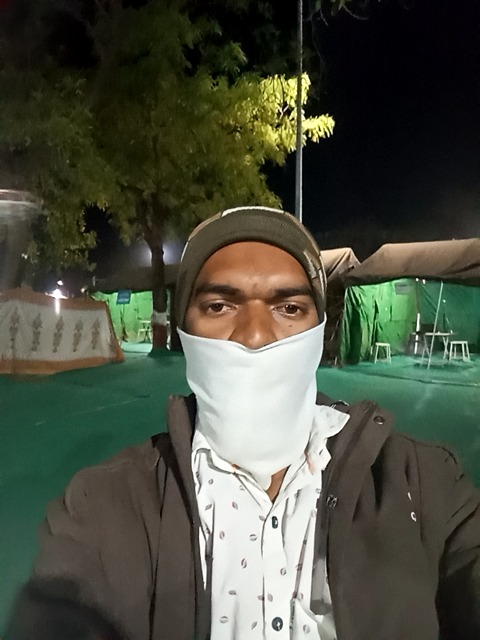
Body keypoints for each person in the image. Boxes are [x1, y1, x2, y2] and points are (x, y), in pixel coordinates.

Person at [9, 207, 480, 640]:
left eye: (289, 308)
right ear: (185, 330)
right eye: (219, 306)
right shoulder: (105, 507)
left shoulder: (422, 485)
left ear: (319, 330)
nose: (255, 335)